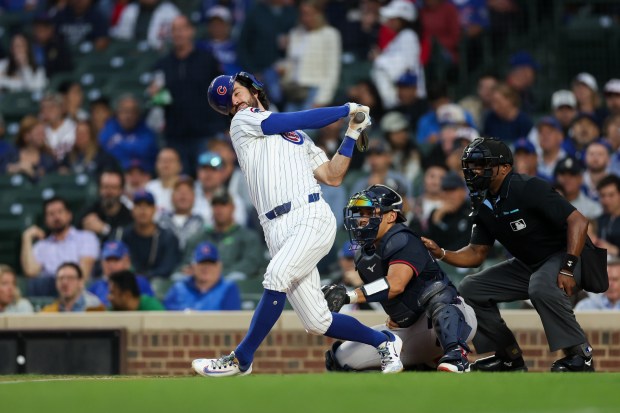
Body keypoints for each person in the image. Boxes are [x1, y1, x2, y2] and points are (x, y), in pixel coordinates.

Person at [191, 71, 403, 378]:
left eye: (237, 93)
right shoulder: (243, 123)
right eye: (228, 102)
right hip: (275, 228)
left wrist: (352, 133)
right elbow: (287, 121)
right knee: (317, 321)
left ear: (252, 89)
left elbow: (332, 175)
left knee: (276, 274)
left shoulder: (298, 137)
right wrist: (345, 109)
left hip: (310, 215)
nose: (234, 102)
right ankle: (384, 342)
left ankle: (241, 359)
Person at [422, 137, 595, 372]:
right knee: (471, 288)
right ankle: (509, 357)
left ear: (504, 167)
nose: (475, 170)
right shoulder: (484, 201)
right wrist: (441, 253)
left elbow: (578, 221)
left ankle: (580, 354)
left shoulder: (528, 187)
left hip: (568, 255)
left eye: (482, 164)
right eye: (472, 165)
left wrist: (568, 266)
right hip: (530, 264)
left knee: (541, 285)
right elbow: (476, 253)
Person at [322, 184, 477, 372]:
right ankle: (415, 370)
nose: (361, 220)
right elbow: (388, 293)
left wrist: (348, 296)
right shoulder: (362, 255)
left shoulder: (403, 238)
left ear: (391, 216)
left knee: (436, 294)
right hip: (409, 330)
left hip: (448, 319)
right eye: (359, 213)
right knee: (340, 357)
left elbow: (395, 285)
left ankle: (456, 354)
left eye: (368, 212)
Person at [148, 15, 225, 175]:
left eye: (182, 29)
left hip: (205, 133)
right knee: (180, 182)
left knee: (207, 178)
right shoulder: (163, 64)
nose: (178, 34)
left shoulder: (207, 60)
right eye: (174, 30)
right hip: (175, 136)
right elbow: (159, 100)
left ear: (191, 31)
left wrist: (222, 126)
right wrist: (155, 95)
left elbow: (222, 93)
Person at [21, 197, 100, 296]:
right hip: (48, 293)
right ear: (46, 220)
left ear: (69, 215)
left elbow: (84, 273)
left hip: (78, 292)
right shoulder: (42, 246)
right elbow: (31, 272)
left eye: (60, 212)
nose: (56, 217)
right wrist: (27, 238)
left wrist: (65, 282)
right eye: (51, 214)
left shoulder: (86, 237)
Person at [181, 189, 264, 280]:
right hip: (201, 282)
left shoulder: (248, 237)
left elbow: (251, 264)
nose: (219, 209)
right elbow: (188, 262)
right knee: (179, 277)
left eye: (223, 205)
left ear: (233, 207)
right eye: (215, 205)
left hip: (233, 286)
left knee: (236, 276)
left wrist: (217, 273)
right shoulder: (200, 237)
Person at [279, 0, 341, 111]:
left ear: (319, 14)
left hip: (315, 90)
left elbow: (333, 70)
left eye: (309, 14)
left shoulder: (330, 34)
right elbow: (290, 62)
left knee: (308, 128)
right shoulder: (295, 33)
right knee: (287, 127)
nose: (305, 18)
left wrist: (322, 99)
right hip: (295, 91)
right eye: (303, 14)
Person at [371, 0, 425, 109]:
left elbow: (404, 67)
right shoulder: (401, 37)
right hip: (397, 100)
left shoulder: (409, 36)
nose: (389, 22)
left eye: (393, 19)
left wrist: (379, 59)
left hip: (407, 101)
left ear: (403, 20)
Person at [164, 241, 241, 311]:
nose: (206, 268)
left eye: (211, 263)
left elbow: (230, 319)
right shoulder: (179, 287)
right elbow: (167, 314)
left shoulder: (228, 287)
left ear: (219, 266)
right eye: (202, 263)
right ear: (193, 266)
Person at [121, 190, 180, 279]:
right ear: (132, 210)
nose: (143, 210)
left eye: (147, 206)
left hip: (159, 284)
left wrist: (146, 277)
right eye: (138, 206)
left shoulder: (167, 237)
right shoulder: (125, 235)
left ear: (154, 209)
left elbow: (167, 268)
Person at [98, 94, 159, 173]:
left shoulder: (146, 129)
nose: (128, 116)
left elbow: (143, 150)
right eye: (124, 111)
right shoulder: (110, 126)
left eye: (132, 111)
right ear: (117, 113)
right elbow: (105, 145)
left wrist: (118, 144)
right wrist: (132, 146)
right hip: (114, 174)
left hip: (143, 175)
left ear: (138, 114)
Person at [88, 241, 155, 306]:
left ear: (127, 261)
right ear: (102, 263)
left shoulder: (139, 282)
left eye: (116, 260)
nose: (111, 265)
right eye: (108, 260)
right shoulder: (95, 286)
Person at [78, 168, 133, 242]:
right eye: (105, 187)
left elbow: (128, 240)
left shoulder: (128, 216)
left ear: (121, 190)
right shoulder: (88, 212)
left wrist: (104, 229)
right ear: (99, 189)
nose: (109, 192)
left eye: (114, 188)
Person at [0, 115, 57, 180]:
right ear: (26, 136)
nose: (42, 137)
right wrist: (16, 168)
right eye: (38, 134)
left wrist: (31, 172)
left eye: (43, 133)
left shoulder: (48, 159)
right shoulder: (11, 153)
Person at [157, 175, 204, 251]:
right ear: (172, 196)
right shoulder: (162, 221)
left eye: (187, 191)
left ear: (194, 197)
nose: (183, 195)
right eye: (179, 191)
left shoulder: (200, 222)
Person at [111, 0, 180, 50]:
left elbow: (176, 38)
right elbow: (121, 36)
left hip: (158, 52)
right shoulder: (131, 9)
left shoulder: (170, 11)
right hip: (133, 52)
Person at [41, 262, 106, 312]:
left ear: (81, 282)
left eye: (70, 278)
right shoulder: (48, 311)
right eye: (60, 278)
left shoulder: (95, 308)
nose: (64, 282)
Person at [554, 157, 602, 221]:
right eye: (563, 174)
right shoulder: (547, 205)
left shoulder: (593, 208)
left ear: (581, 179)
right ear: (557, 177)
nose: (567, 178)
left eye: (572, 174)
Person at [145, 147, 183, 214]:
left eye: (170, 160)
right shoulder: (149, 187)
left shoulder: (188, 187)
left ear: (180, 166)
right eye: (163, 160)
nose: (166, 164)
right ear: (156, 165)